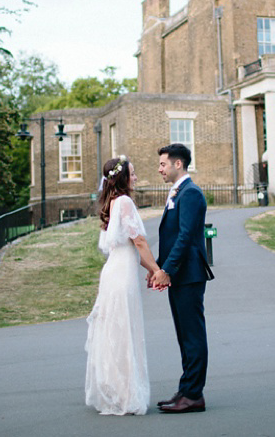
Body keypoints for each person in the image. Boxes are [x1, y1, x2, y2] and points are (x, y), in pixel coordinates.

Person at [85, 156, 161, 415]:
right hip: (121, 277)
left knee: (115, 332)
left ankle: (115, 389)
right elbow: (138, 241)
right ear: (123, 178)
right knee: (124, 331)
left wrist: (150, 268)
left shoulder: (112, 203)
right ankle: (126, 395)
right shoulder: (125, 202)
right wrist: (158, 270)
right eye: (133, 173)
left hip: (115, 272)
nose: (136, 178)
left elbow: (128, 248)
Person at [153, 144, 214, 413]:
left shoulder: (191, 193)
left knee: (192, 335)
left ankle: (193, 395)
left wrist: (166, 270)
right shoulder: (177, 192)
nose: (160, 169)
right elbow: (170, 237)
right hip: (178, 275)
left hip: (188, 274)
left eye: (163, 164)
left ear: (179, 164)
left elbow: (186, 236)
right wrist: (158, 268)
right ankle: (186, 389)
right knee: (183, 335)